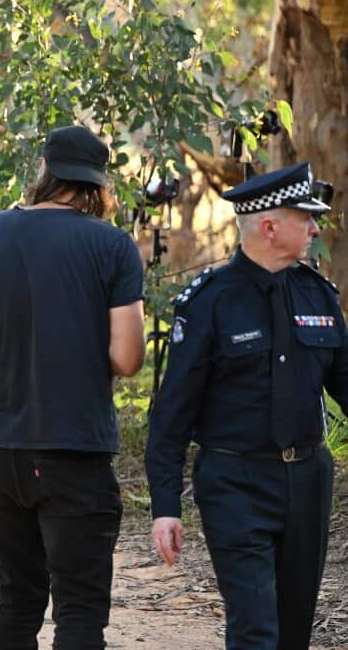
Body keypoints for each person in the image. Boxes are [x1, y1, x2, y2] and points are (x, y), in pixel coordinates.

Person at [0, 125, 146, 649]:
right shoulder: (112, 245)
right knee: (77, 608)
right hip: (75, 447)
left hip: (1, 445)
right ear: (96, 185)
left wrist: (8, 365)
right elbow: (126, 357)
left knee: (17, 598)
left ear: (45, 172)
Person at [145, 161, 346, 650]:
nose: (316, 227)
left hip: (307, 482)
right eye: (307, 217)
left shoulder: (318, 295)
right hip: (236, 485)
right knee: (256, 630)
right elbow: (172, 412)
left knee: (293, 630)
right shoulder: (210, 302)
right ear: (271, 226)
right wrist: (165, 506)